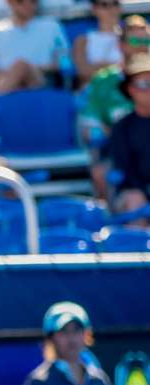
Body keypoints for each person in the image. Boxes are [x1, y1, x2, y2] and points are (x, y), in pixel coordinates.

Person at [79, 15, 150, 200]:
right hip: (118, 152)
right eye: (136, 41)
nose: (142, 46)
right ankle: (114, 216)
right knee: (101, 173)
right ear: (121, 45)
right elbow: (89, 128)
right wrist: (121, 133)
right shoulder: (103, 81)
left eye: (146, 41)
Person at [0, 0, 69, 98]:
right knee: (18, 68)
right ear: (9, 2)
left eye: (33, 1)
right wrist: (10, 74)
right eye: (20, 1)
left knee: (21, 66)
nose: (28, 5)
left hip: (41, 80)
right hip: (3, 80)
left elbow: (65, 61)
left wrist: (33, 69)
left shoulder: (52, 27)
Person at [108, 53, 150, 225]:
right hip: (134, 191)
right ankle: (137, 242)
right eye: (144, 84)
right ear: (131, 89)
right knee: (135, 200)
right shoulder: (122, 127)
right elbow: (123, 172)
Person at [73, 0, 123, 87]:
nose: (111, 9)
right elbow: (83, 72)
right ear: (94, 9)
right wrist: (116, 66)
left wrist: (98, 66)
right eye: (104, 5)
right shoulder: (82, 40)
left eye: (115, 3)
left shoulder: (129, 36)